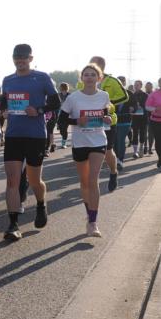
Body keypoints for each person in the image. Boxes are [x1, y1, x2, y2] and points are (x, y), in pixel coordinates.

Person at [0, 44, 60, 242]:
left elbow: (56, 102)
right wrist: (3, 110)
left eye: (24, 57)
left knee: (34, 181)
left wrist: (39, 110)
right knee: (12, 181)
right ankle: (13, 224)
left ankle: (41, 204)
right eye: (17, 57)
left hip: (35, 136)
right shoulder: (8, 80)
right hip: (13, 135)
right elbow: (4, 102)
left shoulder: (42, 77)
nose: (20, 61)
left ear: (30, 58)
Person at [58, 63, 114, 237]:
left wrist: (107, 119)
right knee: (84, 182)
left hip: (98, 141)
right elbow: (61, 120)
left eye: (93, 75)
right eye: (86, 75)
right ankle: (89, 214)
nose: (89, 77)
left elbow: (105, 114)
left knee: (93, 179)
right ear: (81, 78)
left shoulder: (104, 95)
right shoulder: (73, 98)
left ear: (99, 78)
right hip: (80, 143)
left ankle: (93, 222)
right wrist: (76, 121)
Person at [77, 56, 128, 192]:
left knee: (107, 151)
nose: (91, 67)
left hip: (107, 121)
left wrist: (106, 103)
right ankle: (91, 182)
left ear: (102, 66)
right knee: (88, 150)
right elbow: (78, 98)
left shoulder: (112, 80)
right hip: (89, 121)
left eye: (94, 64)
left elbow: (124, 96)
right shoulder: (81, 82)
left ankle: (113, 172)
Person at [112, 76, 134, 167]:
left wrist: (133, 108)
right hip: (113, 121)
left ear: (124, 83)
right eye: (118, 81)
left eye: (122, 81)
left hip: (125, 121)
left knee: (121, 140)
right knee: (114, 141)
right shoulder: (111, 93)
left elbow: (135, 105)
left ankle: (120, 160)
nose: (120, 83)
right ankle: (116, 158)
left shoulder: (130, 93)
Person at [129, 80, 149, 159]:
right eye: (135, 85)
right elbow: (130, 105)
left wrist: (141, 106)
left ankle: (141, 148)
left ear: (141, 86)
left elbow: (148, 105)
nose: (136, 86)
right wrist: (132, 108)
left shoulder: (145, 95)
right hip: (135, 117)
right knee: (135, 134)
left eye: (137, 85)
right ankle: (135, 152)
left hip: (143, 117)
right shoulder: (132, 95)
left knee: (142, 133)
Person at [57, 82, 71, 149]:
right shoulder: (58, 95)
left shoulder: (70, 95)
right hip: (59, 114)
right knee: (61, 130)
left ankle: (63, 144)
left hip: (67, 114)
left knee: (64, 129)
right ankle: (63, 138)